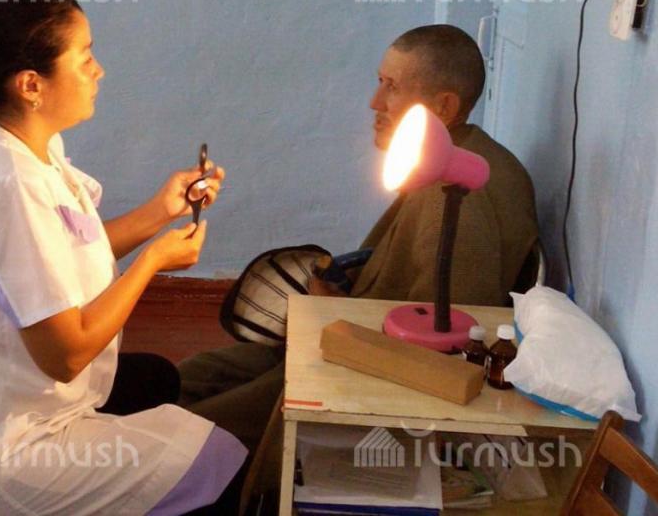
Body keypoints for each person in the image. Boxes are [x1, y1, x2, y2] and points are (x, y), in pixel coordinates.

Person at [0, 0, 245, 516]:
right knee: (220, 466)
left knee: (156, 379)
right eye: (85, 58)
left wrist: (160, 211)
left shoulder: (12, 137)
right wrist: (153, 261)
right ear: (31, 84)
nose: (98, 71)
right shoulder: (8, 184)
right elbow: (67, 355)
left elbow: (66, 252)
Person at [177, 25, 539, 494]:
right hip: (349, 334)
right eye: (379, 82)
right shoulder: (449, 160)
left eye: (392, 87)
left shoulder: (456, 198)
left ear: (444, 108)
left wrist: (334, 312)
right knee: (189, 376)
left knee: (190, 431)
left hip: (367, 368)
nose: (374, 102)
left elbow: (445, 348)